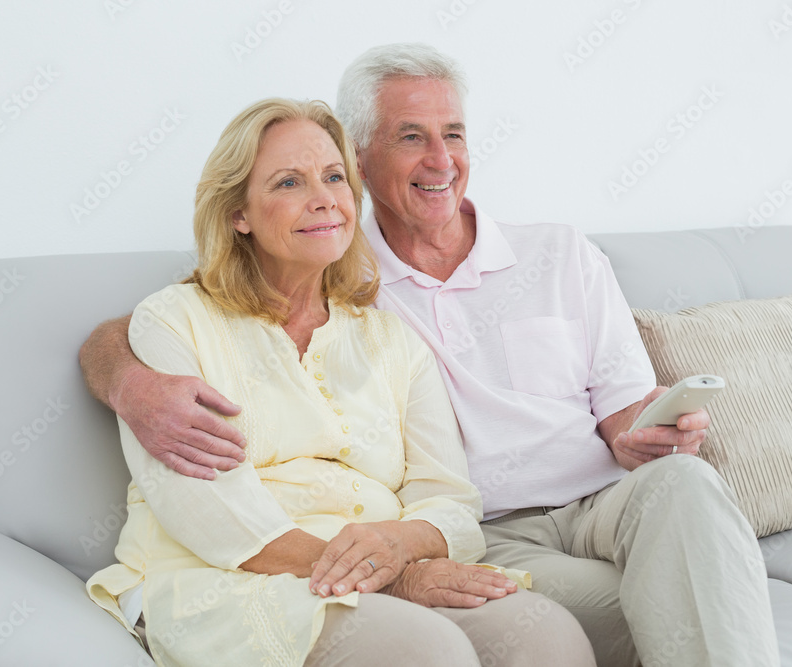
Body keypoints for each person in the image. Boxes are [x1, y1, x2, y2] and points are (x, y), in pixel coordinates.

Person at [80, 45, 781, 666]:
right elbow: (152, 329)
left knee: (686, 494)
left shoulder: (525, 267)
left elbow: (578, 434)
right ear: (364, 159)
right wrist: (126, 379)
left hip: (596, 503)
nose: (440, 159)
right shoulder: (350, 287)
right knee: (548, 629)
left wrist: (649, 432)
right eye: (411, 136)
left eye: (453, 134)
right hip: (477, 537)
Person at [85, 97, 596, 667]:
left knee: (544, 634)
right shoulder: (173, 321)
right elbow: (207, 513)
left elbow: (450, 498)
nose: (325, 198)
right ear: (239, 213)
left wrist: (403, 548)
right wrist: (391, 577)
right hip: (221, 574)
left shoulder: (391, 339)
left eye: (334, 177)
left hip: (384, 568)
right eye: (289, 182)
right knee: (424, 650)